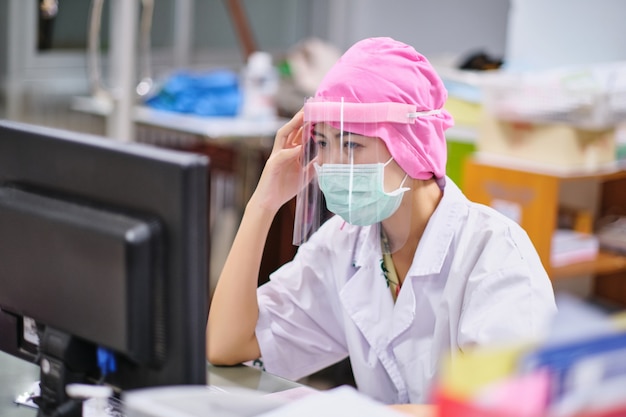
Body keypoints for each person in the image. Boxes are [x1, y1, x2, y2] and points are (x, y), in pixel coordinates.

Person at [207, 37, 557, 415]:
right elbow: (228, 345)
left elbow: (506, 409)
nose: (333, 164)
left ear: (412, 145)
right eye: (322, 143)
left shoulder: (495, 256)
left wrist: (347, 412)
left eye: (352, 145)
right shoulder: (345, 245)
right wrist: (263, 204)